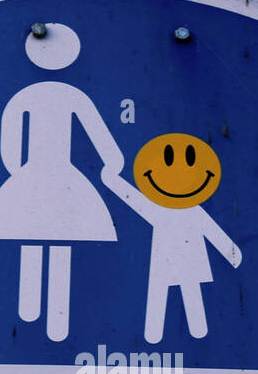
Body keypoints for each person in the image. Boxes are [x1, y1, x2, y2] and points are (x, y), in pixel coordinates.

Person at [0, 23, 124, 342]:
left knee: (44, 237)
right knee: (56, 240)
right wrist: (112, 163)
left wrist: (20, 175)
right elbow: (101, 139)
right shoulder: (65, 94)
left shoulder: (33, 95)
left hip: (40, 174)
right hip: (56, 175)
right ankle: (44, 319)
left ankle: (42, 317)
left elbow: (9, 145)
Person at [102, 134, 242, 343]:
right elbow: (134, 199)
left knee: (189, 290)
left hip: (189, 258)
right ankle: (154, 336)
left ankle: (195, 334)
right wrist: (112, 181)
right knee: (160, 294)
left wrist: (231, 252)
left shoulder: (192, 211)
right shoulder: (160, 210)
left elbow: (213, 231)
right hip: (164, 258)